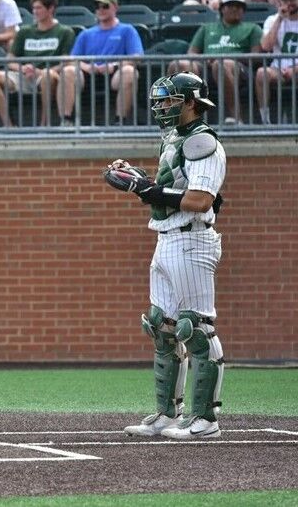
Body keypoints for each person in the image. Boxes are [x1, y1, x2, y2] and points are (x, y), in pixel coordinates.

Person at [113, 71, 226, 440]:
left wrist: (148, 190)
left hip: (192, 240)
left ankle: (205, 420)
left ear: (191, 102)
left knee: (196, 328)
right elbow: (170, 188)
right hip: (166, 238)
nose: (161, 107)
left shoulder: (202, 142)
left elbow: (200, 200)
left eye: (169, 101)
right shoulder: (175, 138)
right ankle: (166, 414)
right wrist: (139, 180)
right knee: (162, 326)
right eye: (159, 101)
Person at [167, 0, 262, 124]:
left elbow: (256, 57)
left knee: (222, 64)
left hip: (239, 70)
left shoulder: (253, 28)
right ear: (222, 9)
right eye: (230, 6)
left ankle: (236, 117)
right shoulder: (207, 28)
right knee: (180, 64)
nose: (235, 9)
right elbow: (192, 53)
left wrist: (225, 58)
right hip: (206, 67)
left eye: (239, 7)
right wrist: (205, 60)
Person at [0, 0, 75, 127]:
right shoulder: (25, 31)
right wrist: (22, 68)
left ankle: (44, 124)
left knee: (47, 75)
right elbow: (10, 58)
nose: (35, 11)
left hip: (49, 74)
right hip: (24, 74)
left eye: (39, 8)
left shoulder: (65, 32)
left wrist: (40, 71)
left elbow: (66, 61)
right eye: (33, 8)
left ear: (50, 9)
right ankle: (9, 125)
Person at [60, 0, 143, 126]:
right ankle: (66, 119)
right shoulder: (86, 33)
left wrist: (114, 66)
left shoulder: (127, 30)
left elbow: (137, 56)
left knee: (129, 71)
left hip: (114, 73)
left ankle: (120, 120)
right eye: (97, 6)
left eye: (105, 6)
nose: (100, 10)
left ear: (115, 7)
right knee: (68, 71)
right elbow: (72, 58)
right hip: (88, 75)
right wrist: (87, 66)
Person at [255, 0, 298, 123]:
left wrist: (295, 69)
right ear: (280, 2)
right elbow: (266, 46)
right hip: (278, 69)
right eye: (285, 0)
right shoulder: (272, 20)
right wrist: (280, 18)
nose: (289, 3)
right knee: (262, 73)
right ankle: (265, 121)